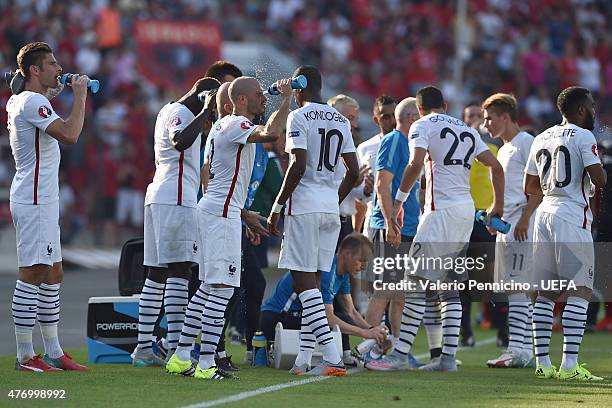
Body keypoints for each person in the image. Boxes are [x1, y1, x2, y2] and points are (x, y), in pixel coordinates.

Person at [366, 86, 504, 372]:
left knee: (414, 279)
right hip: (465, 210)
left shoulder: (422, 125)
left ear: (419, 109)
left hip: (440, 210)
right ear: (444, 104)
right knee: (448, 286)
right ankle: (447, 359)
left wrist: (399, 201)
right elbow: (496, 167)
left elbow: (416, 163)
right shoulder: (467, 130)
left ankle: (401, 353)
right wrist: (497, 206)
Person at [167, 76, 292, 380]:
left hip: (216, 210)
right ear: (240, 101)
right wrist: (286, 99)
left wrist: (241, 212)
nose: (265, 98)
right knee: (223, 289)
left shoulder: (221, 129)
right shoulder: (236, 123)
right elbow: (272, 134)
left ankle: (182, 356)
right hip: (220, 215)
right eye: (259, 94)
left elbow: (212, 175)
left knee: (208, 287)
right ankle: (207, 362)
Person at [267, 65, 360, 376]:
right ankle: (304, 359)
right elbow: (355, 172)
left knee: (302, 280)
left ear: (299, 87)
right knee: (317, 284)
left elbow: (298, 165)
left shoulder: (300, 116)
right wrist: (333, 198)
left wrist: (277, 205)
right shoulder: (340, 120)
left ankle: (332, 357)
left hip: (304, 204)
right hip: (329, 207)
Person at [8, 42, 89, 371]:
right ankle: (25, 355)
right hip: (34, 198)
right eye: (52, 64)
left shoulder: (23, 100)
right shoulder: (33, 101)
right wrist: (80, 96)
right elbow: (70, 134)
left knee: (53, 273)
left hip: (40, 196)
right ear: (34, 71)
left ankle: (54, 351)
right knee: (33, 272)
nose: (60, 69)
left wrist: (55, 95)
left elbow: (38, 108)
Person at [131, 77, 220, 366]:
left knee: (156, 274)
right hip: (177, 197)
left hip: (160, 194)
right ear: (204, 96)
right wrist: (206, 112)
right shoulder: (183, 113)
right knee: (180, 271)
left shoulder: (167, 110)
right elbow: (179, 141)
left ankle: (144, 347)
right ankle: (174, 348)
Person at [525, 86, 606, 381]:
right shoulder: (585, 136)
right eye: (592, 107)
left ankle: (543, 363)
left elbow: (530, 186)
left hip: (544, 214)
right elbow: (600, 178)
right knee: (580, 288)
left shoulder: (541, 137)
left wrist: (553, 188)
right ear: (581, 109)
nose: (594, 112)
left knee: (545, 292)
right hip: (572, 215)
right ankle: (570, 365)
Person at [363, 97, 429, 367]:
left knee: (400, 293)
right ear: (413, 118)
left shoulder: (410, 144)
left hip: (407, 225)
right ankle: (368, 344)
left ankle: (399, 348)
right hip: (392, 225)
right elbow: (382, 183)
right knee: (385, 289)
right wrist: (391, 222)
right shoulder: (393, 141)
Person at [259, 234, 387, 372]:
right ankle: (335, 359)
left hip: (296, 316)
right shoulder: (327, 271)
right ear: (347, 253)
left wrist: (372, 329)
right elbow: (327, 317)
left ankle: (346, 357)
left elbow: (351, 311)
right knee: (331, 319)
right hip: (276, 318)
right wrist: (364, 333)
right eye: (361, 260)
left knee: (343, 316)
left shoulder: (342, 274)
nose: (363, 267)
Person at [481, 93, 539, 369]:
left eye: (489, 118)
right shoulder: (503, 150)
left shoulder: (526, 142)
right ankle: (524, 349)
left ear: (505, 116)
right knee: (514, 286)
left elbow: (539, 185)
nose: (485, 124)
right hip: (510, 224)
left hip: (521, 224)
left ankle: (517, 347)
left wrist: (526, 218)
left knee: (516, 285)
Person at [327, 94, 373, 245]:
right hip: (327, 218)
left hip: (345, 222)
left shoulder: (351, 148)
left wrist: (366, 189)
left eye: (356, 119)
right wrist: (352, 181)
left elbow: (357, 195)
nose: (354, 124)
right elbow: (323, 187)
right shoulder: (322, 147)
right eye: (349, 118)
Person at [354, 95, 397, 233]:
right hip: (375, 219)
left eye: (394, 115)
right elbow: (358, 194)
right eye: (386, 117)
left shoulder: (411, 145)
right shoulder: (365, 148)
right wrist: (365, 189)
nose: (392, 121)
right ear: (376, 120)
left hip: (404, 220)